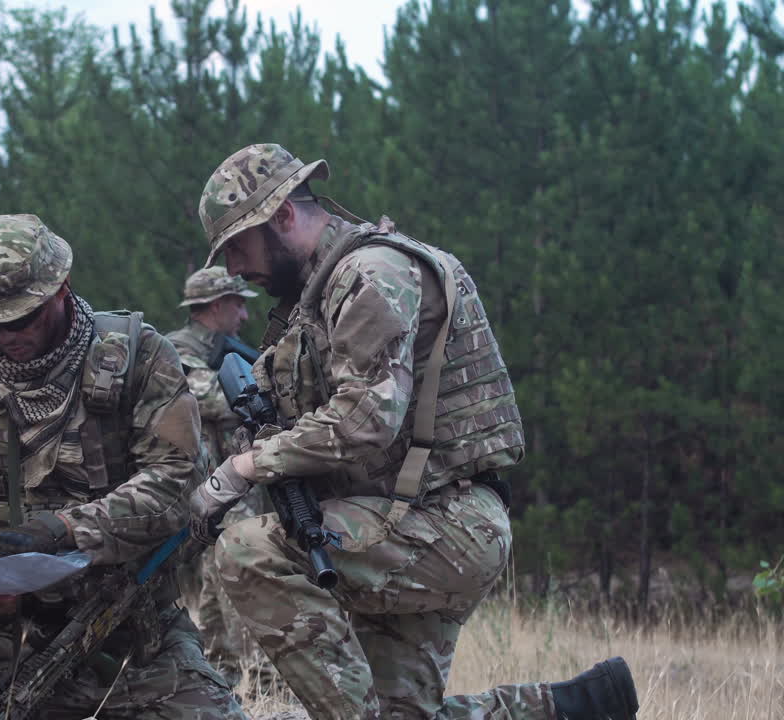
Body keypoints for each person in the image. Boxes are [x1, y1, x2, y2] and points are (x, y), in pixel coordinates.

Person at [187, 144, 640, 720]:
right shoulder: (317, 300)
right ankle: (576, 706)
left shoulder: (371, 275)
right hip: (399, 519)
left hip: (444, 524)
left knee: (246, 551)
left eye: (237, 247)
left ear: (281, 217)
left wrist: (244, 469)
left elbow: (365, 421)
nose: (230, 270)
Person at [0, 214, 244, 720]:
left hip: (138, 636)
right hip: (20, 643)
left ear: (61, 289)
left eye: (19, 318)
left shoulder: (139, 358)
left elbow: (176, 484)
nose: (5, 336)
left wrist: (67, 529)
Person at [166, 266, 273, 688]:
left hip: (230, 486)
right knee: (234, 576)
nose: (244, 315)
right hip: (208, 488)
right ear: (214, 306)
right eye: (237, 303)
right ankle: (253, 675)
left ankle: (226, 671)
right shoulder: (178, 351)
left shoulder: (221, 350)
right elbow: (214, 400)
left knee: (220, 578)